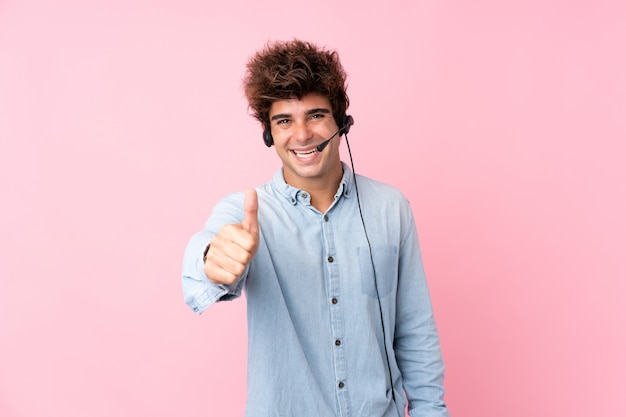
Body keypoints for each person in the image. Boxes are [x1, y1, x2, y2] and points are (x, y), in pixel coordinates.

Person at [182, 39, 449, 417]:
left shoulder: (391, 208)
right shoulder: (246, 213)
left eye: (315, 115)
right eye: (284, 120)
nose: (302, 134)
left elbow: (415, 330)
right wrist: (214, 260)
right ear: (268, 133)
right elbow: (207, 255)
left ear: (341, 121)